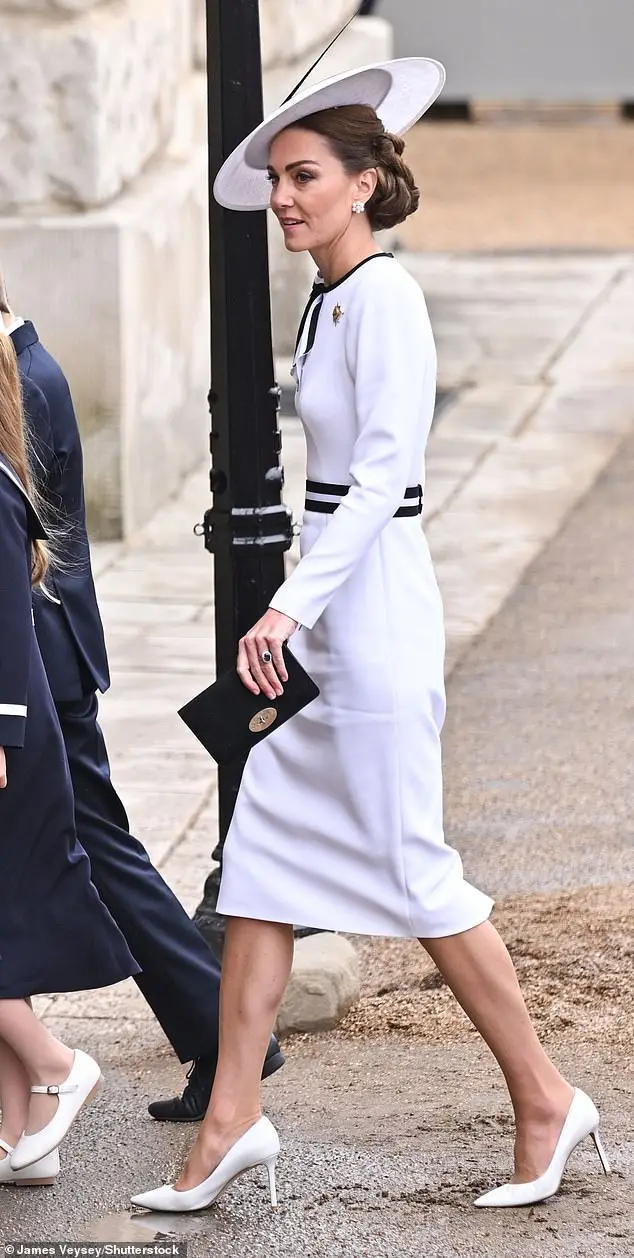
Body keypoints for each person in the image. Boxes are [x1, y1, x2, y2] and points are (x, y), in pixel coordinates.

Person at [130, 58, 610, 1214]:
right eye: (279, 179)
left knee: (413, 872)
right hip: (334, 615)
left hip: (375, 612)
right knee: (258, 865)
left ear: (362, 183)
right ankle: (231, 1119)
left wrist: (288, 602)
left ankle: (546, 1096)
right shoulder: (329, 294)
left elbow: (384, 472)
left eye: (304, 178)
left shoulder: (383, 297)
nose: (284, 198)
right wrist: (299, 609)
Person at [0, 281, 284, 1125]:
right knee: (95, 850)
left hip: (37, 665)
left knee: (102, 854)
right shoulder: (30, 364)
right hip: (45, 658)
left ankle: (205, 1030)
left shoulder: (27, 376)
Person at [0, 330, 140, 1185]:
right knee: (5, 936)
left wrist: (0, 731)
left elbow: (10, 636)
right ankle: (15, 1136)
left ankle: (58, 1066)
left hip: (8, 742)